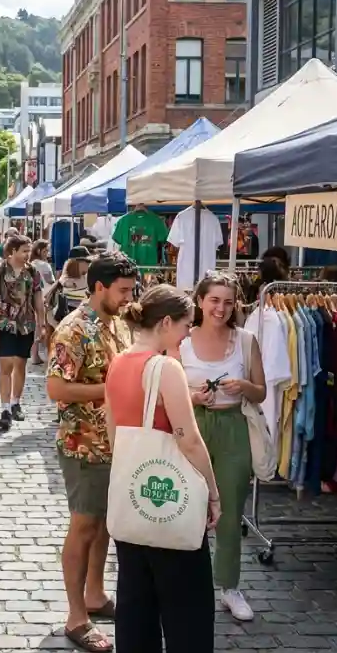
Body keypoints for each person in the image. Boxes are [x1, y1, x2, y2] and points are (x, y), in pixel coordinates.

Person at [105, 284, 222, 653]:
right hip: (171, 499)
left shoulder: (118, 362)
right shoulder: (165, 368)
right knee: (187, 610)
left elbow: (113, 434)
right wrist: (213, 493)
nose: (189, 333)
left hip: (132, 497)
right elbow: (189, 439)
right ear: (167, 322)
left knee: (135, 605)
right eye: (187, 325)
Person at [46, 253, 139, 653]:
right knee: (84, 526)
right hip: (83, 443)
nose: (128, 297)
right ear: (99, 286)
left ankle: (95, 595)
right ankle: (75, 616)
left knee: (103, 524)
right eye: (122, 290)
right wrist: (111, 391)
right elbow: (56, 389)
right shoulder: (74, 330)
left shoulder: (115, 321)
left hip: (113, 442)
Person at [180, 271, 267, 622]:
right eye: (214, 300)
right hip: (192, 426)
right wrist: (192, 395)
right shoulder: (181, 340)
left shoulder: (246, 340)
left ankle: (229, 586)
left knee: (230, 510)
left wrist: (243, 384)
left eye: (228, 302)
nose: (221, 308)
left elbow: (261, 392)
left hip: (233, 427)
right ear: (200, 300)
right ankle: (186, 582)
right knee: (187, 507)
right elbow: (163, 388)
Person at [0, 235, 47, 432]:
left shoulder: (32, 271)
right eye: (24, 251)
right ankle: (4, 410)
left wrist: (41, 322)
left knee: (20, 363)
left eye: (29, 250)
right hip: (4, 323)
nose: (27, 254)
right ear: (12, 251)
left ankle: (15, 403)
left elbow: (38, 297)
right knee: (6, 364)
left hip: (26, 324)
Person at [30, 240, 57, 364]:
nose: (47, 253)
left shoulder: (30, 263)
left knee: (36, 325)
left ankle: (34, 354)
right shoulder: (44, 265)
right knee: (44, 325)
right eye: (46, 250)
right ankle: (42, 354)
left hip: (33, 295)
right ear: (39, 251)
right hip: (45, 295)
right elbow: (50, 281)